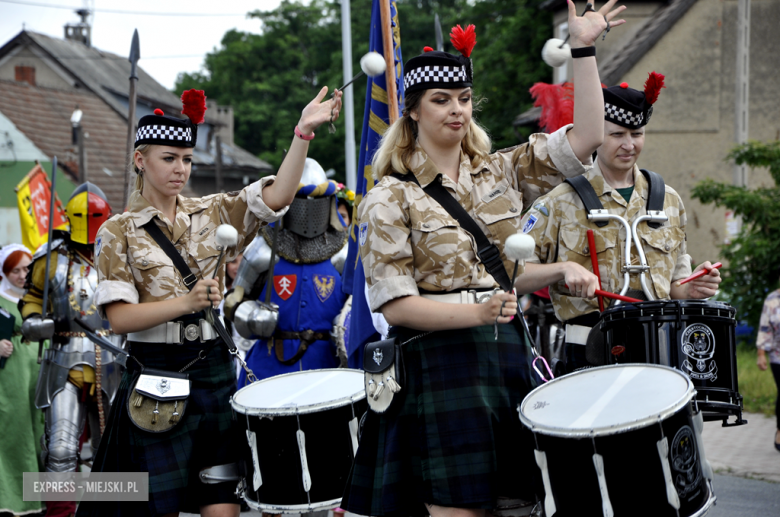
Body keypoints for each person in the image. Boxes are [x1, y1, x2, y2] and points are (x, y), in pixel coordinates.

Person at [340, 3, 625, 516]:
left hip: (506, 352)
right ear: (413, 110)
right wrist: (477, 312)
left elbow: (588, 136)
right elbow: (397, 306)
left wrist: (582, 49)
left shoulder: (500, 170)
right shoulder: (389, 197)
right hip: (438, 360)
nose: (457, 109)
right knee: (459, 509)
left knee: (518, 505)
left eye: (465, 99)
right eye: (441, 99)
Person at [76, 86, 341, 517]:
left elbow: (277, 198)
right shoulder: (118, 231)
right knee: (153, 506)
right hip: (155, 371)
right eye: (169, 158)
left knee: (221, 502)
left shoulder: (213, 211)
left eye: (187, 159)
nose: (180, 169)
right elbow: (120, 318)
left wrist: (303, 133)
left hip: (213, 368)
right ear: (141, 159)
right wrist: (188, 301)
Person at [516, 70, 723, 372]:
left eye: (636, 134)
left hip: (659, 352)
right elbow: (512, 275)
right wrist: (563, 268)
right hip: (589, 352)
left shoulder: (668, 200)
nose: (629, 145)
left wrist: (694, 288)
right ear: (597, 136)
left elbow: (674, 286)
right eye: (617, 135)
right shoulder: (559, 201)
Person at [19, 182, 123, 517]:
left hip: (114, 358)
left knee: (115, 452)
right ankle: (60, 514)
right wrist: (34, 319)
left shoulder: (122, 249)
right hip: (64, 360)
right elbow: (33, 295)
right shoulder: (50, 256)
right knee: (61, 450)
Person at [226, 158, 350, 386]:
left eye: (316, 200)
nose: (308, 209)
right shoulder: (262, 249)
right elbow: (234, 299)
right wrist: (252, 316)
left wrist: (346, 324)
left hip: (329, 366)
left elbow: (360, 307)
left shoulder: (344, 253)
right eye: (301, 200)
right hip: (270, 364)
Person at [0, 244, 45, 517]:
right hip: (11, 376)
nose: (21, 275)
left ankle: (43, 500)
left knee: (42, 434)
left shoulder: (40, 296)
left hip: (40, 370)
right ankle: (13, 499)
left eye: (26, 268)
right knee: (16, 433)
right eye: (14, 270)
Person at [757, 276, 780, 452]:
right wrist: (761, 354)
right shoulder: (772, 300)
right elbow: (765, 328)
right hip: (778, 356)